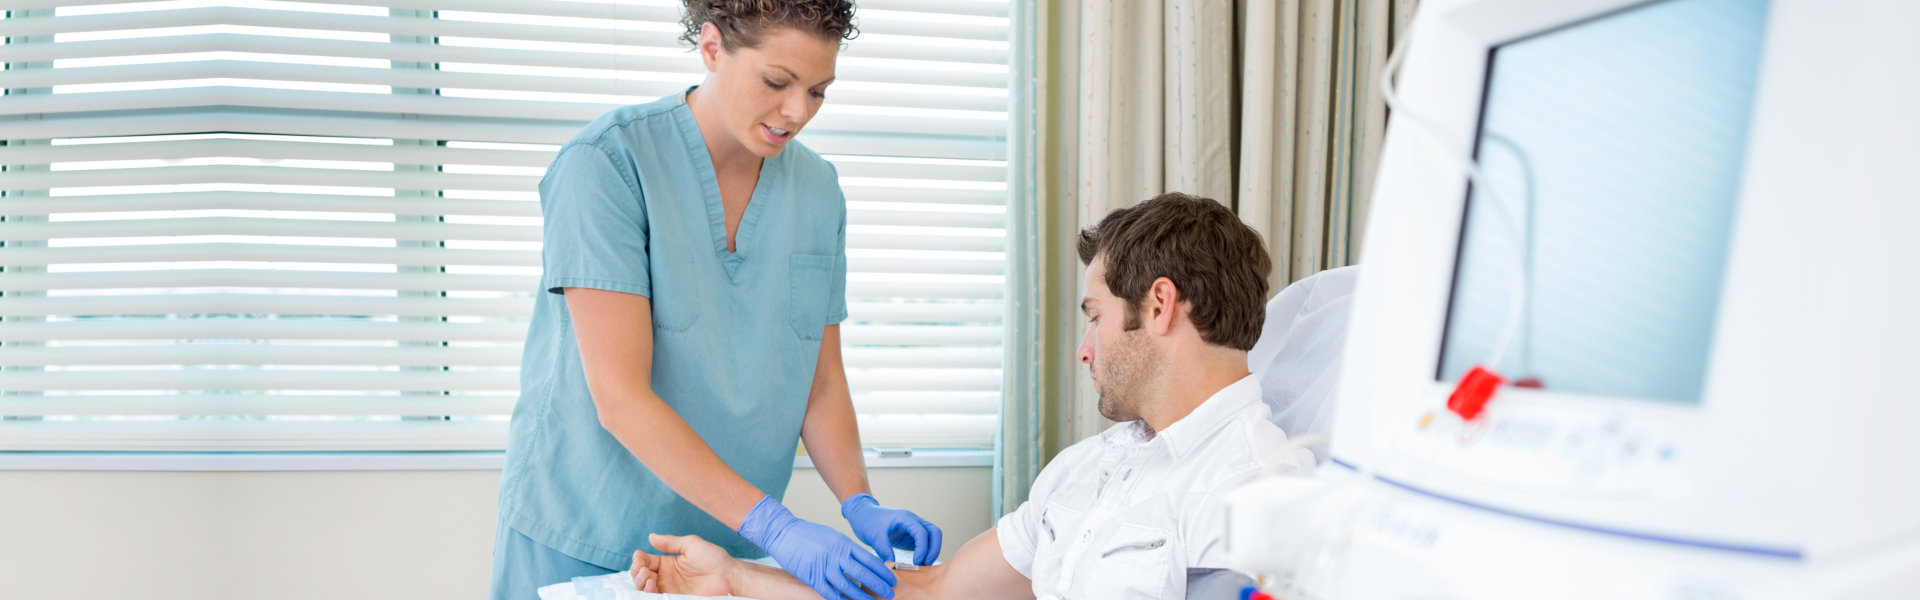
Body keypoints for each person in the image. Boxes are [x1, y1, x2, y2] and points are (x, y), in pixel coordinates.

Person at [622, 193, 1316, 599]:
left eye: (1095, 317)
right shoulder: (1090, 468)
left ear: (1159, 305)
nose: (1084, 349)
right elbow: (933, 591)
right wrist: (733, 577)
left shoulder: (1256, 491)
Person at [490, 2, 942, 599]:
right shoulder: (607, 165)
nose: (797, 111)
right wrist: (776, 526)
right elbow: (621, 398)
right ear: (710, 47)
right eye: (776, 82)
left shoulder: (817, 191)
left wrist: (857, 501)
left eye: (818, 91)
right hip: (583, 531)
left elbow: (819, 378)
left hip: (723, 550)